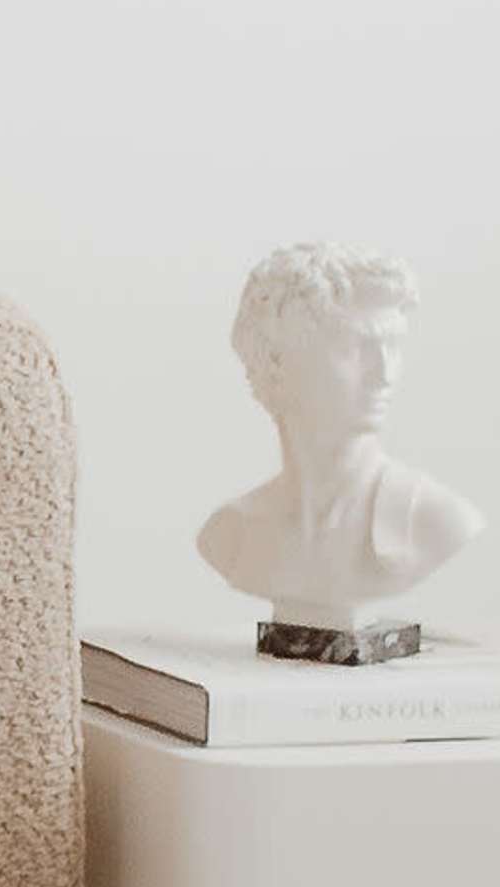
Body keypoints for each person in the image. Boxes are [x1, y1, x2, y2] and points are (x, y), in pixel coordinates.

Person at [197, 240, 481, 645]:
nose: (386, 373)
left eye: (393, 347)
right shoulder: (232, 534)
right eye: (358, 348)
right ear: (280, 361)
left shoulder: (435, 520)